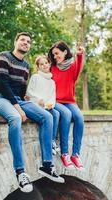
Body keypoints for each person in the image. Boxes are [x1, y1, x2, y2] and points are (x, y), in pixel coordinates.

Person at [0, 32, 64, 193]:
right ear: (16, 41)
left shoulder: (26, 66)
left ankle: (47, 165)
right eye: (22, 40)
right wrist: (18, 107)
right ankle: (20, 172)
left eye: (28, 41)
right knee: (15, 118)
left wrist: (25, 99)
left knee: (47, 116)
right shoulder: (3, 57)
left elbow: (21, 90)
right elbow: (2, 84)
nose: (25, 43)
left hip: (16, 99)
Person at [48, 41, 85, 170]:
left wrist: (79, 55)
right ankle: (64, 153)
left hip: (69, 101)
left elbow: (79, 65)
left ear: (64, 52)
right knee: (67, 114)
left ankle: (75, 154)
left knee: (80, 118)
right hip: (55, 101)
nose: (54, 56)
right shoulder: (51, 68)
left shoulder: (72, 67)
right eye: (53, 54)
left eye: (57, 53)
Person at [26, 55, 60, 155]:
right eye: (41, 64)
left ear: (49, 64)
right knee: (48, 117)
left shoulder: (52, 82)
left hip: (47, 106)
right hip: (36, 105)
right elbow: (29, 92)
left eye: (46, 63)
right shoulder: (35, 77)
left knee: (56, 114)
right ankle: (49, 144)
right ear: (38, 67)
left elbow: (52, 96)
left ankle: (52, 140)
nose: (44, 65)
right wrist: (38, 99)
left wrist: (50, 104)